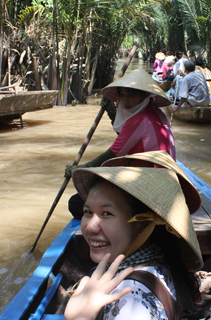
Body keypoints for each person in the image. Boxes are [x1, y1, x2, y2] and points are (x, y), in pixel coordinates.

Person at [38, 153, 203, 320]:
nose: (90, 227)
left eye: (106, 213)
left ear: (142, 226)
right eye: (88, 212)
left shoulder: (130, 299)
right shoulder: (161, 257)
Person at [65, 69, 176, 217]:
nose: (126, 100)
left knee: (76, 203)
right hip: (164, 180)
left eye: (132, 94)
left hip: (150, 186)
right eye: (122, 94)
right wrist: (111, 111)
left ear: (145, 95)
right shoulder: (155, 112)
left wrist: (79, 170)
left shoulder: (139, 119)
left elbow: (111, 154)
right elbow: (128, 138)